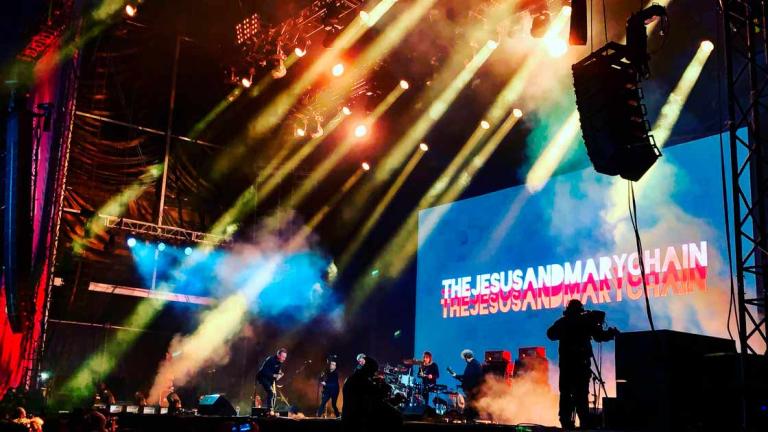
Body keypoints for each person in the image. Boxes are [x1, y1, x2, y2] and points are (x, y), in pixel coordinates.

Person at [547, 299, 618, 430]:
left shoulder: (563, 322)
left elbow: (550, 334)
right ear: (581, 310)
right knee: (581, 395)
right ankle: (584, 423)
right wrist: (611, 333)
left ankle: (566, 423)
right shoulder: (585, 321)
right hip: (580, 365)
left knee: (566, 394)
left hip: (567, 366)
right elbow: (599, 336)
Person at [342, 355, 401, 431]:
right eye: (372, 371)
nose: (373, 374)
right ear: (367, 369)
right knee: (396, 417)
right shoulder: (360, 381)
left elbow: (374, 401)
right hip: (356, 422)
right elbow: (375, 401)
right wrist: (385, 390)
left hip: (353, 420)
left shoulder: (354, 378)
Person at [449, 349, 483, 422]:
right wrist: (458, 377)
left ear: (466, 357)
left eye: (464, 358)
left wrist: (457, 376)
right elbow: (467, 377)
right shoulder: (473, 363)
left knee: (470, 405)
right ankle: (469, 419)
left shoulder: (473, 364)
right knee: (469, 405)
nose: (464, 360)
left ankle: (469, 420)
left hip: (472, 389)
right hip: (471, 388)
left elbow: (468, 377)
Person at [256, 348, 287, 414]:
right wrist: (275, 375)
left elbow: (276, 377)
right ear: (278, 355)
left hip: (270, 379)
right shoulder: (271, 359)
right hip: (263, 377)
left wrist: (280, 375)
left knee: (274, 395)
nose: (284, 359)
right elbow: (264, 371)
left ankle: (271, 410)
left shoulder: (279, 363)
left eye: (285, 357)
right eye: (283, 357)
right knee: (270, 392)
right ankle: (269, 411)